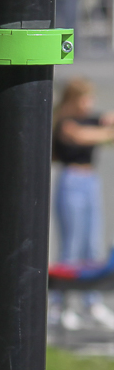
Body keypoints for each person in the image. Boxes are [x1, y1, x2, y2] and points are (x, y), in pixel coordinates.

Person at [52, 77, 114, 331]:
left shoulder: (92, 119)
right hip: (71, 182)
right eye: (84, 98)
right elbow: (83, 137)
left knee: (92, 244)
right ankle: (60, 304)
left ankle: (91, 302)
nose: (89, 104)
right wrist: (108, 131)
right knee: (72, 245)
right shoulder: (65, 123)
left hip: (90, 182)